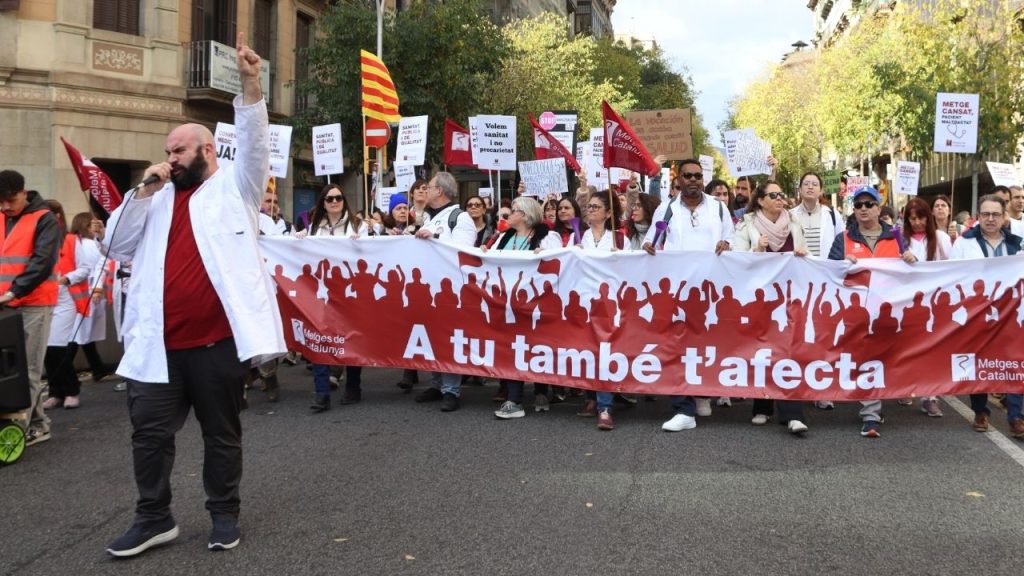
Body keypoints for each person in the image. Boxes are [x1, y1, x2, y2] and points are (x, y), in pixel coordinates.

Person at [102, 34, 285, 557]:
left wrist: (250, 84)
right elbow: (116, 242)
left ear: (206, 150)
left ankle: (223, 515)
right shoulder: (154, 200)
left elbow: (252, 143)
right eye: (166, 152)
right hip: (158, 349)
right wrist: (142, 191)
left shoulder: (237, 188)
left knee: (221, 435)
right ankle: (153, 518)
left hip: (215, 347)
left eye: (178, 150)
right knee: (149, 438)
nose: (170, 159)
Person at [642, 158, 734, 431]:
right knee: (676, 347)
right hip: (677, 293)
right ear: (678, 180)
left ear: (702, 179)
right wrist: (649, 246)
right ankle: (684, 409)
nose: (693, 180)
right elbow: (652, 240)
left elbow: (733, 239)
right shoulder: (666, 208)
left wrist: (727, 243)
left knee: (706, 345)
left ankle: (703, 393)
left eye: (697, 175)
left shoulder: (718, 208)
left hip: (710, 292)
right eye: (687, 176)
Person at [732, 182, 810, 435]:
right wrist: (757, 251)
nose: (779, 198)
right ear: (760, 201)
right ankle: (762, 406)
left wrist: (803, 255)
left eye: (781, 194)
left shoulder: (794, 223)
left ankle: (792, 414)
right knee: (762, 351)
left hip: (789, 299)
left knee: (788, 351)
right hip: (760, 299)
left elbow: (808, 257)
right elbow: (737, 259)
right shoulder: (747, 224)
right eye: (772, 195)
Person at [827, 186, 901, 439]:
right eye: (858, 205)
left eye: (869, 204)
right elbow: (829, 272)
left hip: (890, 311)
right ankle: (870, 414)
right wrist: (841, 265)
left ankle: (881, 401)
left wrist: (911, 260)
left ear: (879, 208)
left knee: (889, 358)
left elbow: (909, 270)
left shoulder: (897, 237)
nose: (863, 209)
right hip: (857, 312)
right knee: (866, 358)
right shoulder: (843, 239)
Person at [947, 194, 1023, 436]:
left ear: (1004, 216)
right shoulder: (963, 243)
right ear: (978, 217)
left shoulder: (1018, 244)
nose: (991, 219)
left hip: (1011, 315)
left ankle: (1016, 416)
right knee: (978, 362)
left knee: (1014, 363)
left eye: (996, 214)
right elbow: (951, 276)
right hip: (977, 314)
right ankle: (980, 411)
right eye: (986, 214)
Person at [485, 196, 561, 419]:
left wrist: (545, 256)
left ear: (525, 215)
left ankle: (540, 390)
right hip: (508, 302)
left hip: (537, 302)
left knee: (538, 346)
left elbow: (558, 262)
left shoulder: (548, 237)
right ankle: (514, 398)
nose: (508, 215)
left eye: (513, 211)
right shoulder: (503, 237)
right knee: (512, 348)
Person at [0, 170, 61, 447]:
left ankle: (18, 428)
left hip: (34, 302)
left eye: (10, 200)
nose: (5, 207)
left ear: (24, 192)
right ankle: (38, 423)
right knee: (11, 370)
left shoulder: (45, 219)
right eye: (1, 202)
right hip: (6, 302)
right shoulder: (2, 216)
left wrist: (15, 291)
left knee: (29, 369)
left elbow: (43, 261)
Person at [299, 183, 368, 412]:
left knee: (351, 338)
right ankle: (321, 393)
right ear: (323, 203)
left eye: (338, 198)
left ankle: (353, 386)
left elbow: (372, 256)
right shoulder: (312, 229)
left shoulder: (359, 226)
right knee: (319, 339)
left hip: (350, 292)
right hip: (320, 292)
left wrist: (363, 244)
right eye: (330, 199)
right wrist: (297, 239)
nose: (335, 202)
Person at [413, 172, 477, 412]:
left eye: (428, 187)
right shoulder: (430, 217)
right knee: (432, 338)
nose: (425, 191)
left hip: (450, 291)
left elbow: (464, 251)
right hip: (430, 290)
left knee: (450, 339)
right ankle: (437, 383)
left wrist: (436, 237)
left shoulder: (460, 218)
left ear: (439, 191)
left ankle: (451, 390)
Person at [43, 212, 104, 410]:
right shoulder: (37, 240)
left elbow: (86, 268)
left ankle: (70, 390)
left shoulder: (71, 241)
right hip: (41, 299)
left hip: (65, 299)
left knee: (59, 347)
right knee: (47, 349)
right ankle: (56, 391)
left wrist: (65, 278)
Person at [577, 192, 627, 430]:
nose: (591, 210)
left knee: (604, 352)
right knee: (588, 352)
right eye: (589, 206)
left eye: (596, 206)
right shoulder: (578, 237)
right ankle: (591, 397)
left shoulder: (620, 239)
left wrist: (621, 258)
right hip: (583, 304)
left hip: (609, 305)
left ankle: (604, 407)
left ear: (608, 213)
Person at [899, 197, 952, 417]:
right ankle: (905, 386)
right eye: (913, 219)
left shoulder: (941, 238)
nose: (918, 223)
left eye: (921, 217)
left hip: (935, 303)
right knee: (907, 347)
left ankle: (930, 396)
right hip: (907, 303)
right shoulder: (901, 240)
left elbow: (953, 268)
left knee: (931, 349)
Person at [791, 172, 843, 260]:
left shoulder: (832, 214)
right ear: (800, 189)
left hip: (825, 269)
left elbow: (842, 243)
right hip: (799, 269)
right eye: (806, 184)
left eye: (815, 184)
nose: (810, 187)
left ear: (821, 191)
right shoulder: (790, 215)